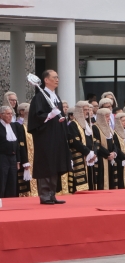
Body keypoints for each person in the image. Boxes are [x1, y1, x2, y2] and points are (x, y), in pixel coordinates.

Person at [27, 70, 71, 204]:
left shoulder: (55, 97)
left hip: (57, 136)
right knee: (46, 163)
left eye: (58, 77)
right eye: (54, 77)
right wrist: (49, 115)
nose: (57, 79)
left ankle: (52, 194)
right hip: (45, 137)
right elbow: (36, 116)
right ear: (46, 80)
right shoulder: (40, 97)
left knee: (55, 164)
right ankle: (45, 195)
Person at [92, 108, 125, 189]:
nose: (109, 119)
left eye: (109, 116)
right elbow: (97, 144)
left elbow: (114, 143)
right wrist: (107, 154)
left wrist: (114, 153)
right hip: (102, 158)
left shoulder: (109, 128)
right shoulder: (95, 127)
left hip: (111, 158)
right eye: (107, 116)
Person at [67, 101, 97, 193]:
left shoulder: (88, 124)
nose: (87, 112)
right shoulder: (73, 124)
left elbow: (94, 141)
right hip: (80, 155)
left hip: (90, 156)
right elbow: (75, 142)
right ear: (79, 111)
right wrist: (88, 152)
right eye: (85, 110)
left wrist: (94, 153)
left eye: (88, 110)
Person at [0, 105, 28, 198]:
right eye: (8, 114)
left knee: (12, 182)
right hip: (2, 158)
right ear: (1, 115)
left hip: (13, 158)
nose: (10, 116)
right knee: (2, 181)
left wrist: (18, 160)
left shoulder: (14, 126)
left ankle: (11, 201)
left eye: (11, 114)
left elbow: (17, 145)